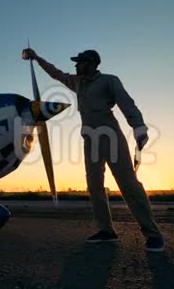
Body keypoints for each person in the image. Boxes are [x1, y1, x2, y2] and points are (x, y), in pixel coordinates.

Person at [22, 48, 165, 252]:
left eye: (79, 62)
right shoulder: (77, 82)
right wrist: (36, 58)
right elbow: (56, 73)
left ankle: (153, 234)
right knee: (94, 185)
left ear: (90, 63)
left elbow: (127, 104)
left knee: (128, 184)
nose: (76, 65)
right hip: (90, 140)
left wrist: (139, 128)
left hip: (110, 136)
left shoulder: (109, 81)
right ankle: (106, 231)